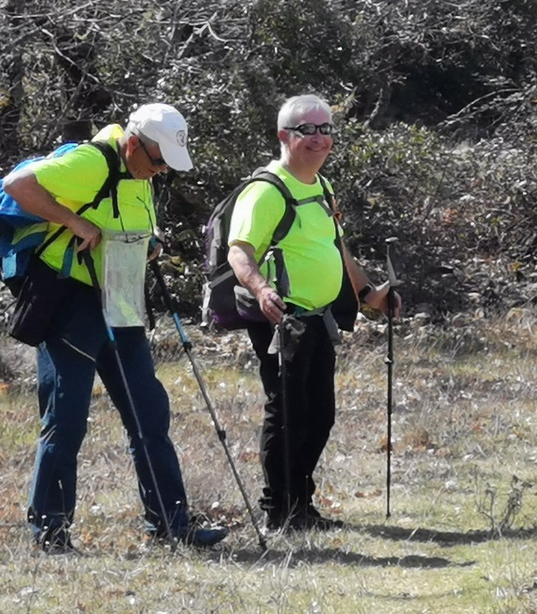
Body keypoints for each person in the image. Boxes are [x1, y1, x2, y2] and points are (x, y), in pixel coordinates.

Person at [3, 103, 229, 553]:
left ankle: (171, 525)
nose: (160, 170)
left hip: (120, 302)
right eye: (157, 159)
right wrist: (73, 221)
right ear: (132, 143)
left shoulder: (140, 172)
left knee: (149, 414)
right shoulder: (92, 162)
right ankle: (49, 531)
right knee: (66, 419)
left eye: (167, 163)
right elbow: (16, 185)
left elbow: (126, 220)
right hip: (71, 301)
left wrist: (150, 243)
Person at [227, 94, 400, 531]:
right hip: (284, 319)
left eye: (326, 130)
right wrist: (262, 290)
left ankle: (301, 505)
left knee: (319, 414)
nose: (319, 138)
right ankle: (278, 510)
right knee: (286, 412)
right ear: (285, 136)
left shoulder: (321, 186)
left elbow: (336, 248)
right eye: (309, 130)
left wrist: (368, 295)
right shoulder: (266, 190)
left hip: (320, 316)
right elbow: (239, 252)